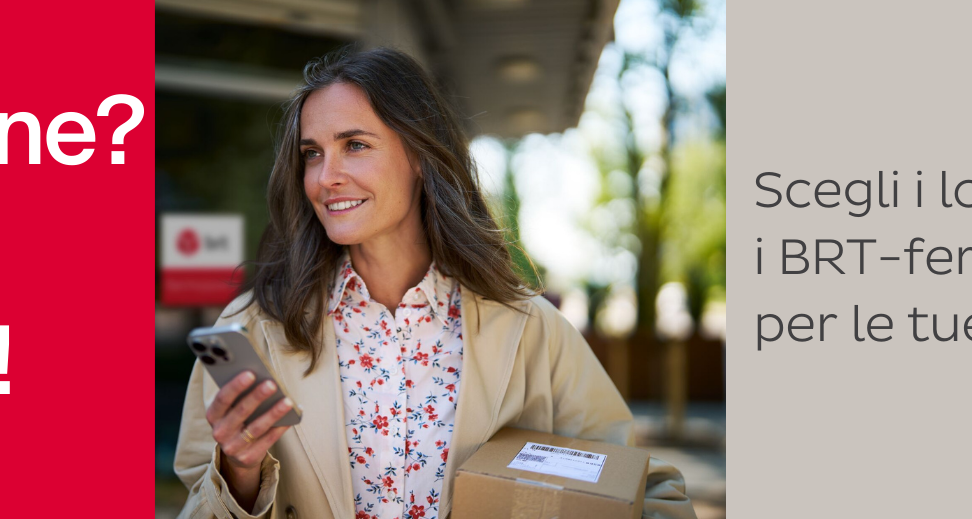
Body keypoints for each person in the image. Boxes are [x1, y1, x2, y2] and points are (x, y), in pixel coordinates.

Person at [173, 47, 699, 519]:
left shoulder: (528, 329)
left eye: (354, 145)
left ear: (421, 156)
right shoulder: (254, 327)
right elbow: (197, 504)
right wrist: (240, 477)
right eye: (312, 152)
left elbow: (647, 495)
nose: (324, 176)